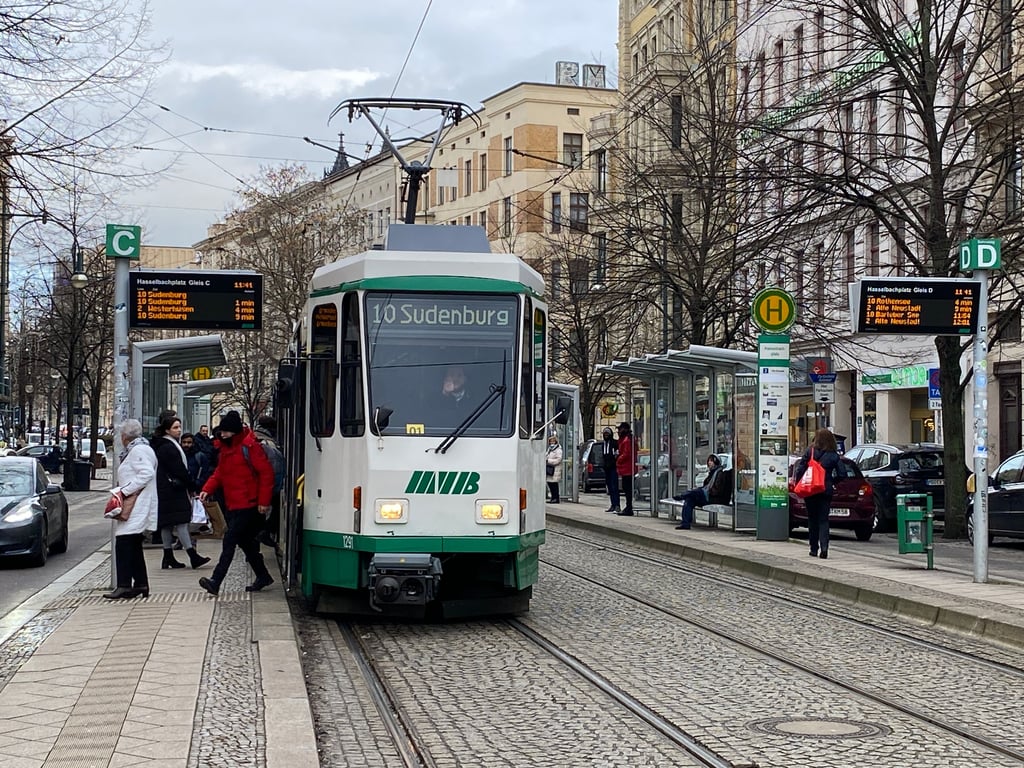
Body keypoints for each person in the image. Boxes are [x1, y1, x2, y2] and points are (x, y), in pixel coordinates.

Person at [198, 410, 275, 595]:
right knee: (245, 542)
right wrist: (207, 488)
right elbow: (220, 473)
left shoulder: (249, 447)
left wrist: (264, 502)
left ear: (233, 431)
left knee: (230, 539)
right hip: (236, 504)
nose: (221, 435)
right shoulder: (227, 449)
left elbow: (266, 474)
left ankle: (216, 580)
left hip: (249, 504)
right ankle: (263, 576)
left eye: (225, 432)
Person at [104, 419, 159, 600]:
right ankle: (141, 584)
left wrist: (125, 490)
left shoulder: (138, 451)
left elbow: (146, 473)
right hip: (139, 502)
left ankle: (125, 584)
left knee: (124, 541)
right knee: (133, 543)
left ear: (124, 436)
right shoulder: (142, 448)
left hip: (136, 503)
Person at [151, 415, 210, 570]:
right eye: (175, 428)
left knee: (167, 524)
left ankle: (168, 556)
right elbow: (180, 470)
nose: (178, 430)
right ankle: (192, 555)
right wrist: (191, 486)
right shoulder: (169, 447)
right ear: (167, 430)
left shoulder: (163, 445)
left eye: (179, 427)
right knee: (182, 522)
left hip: (165, 489)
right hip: (174, 489)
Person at [794, 428, 842, 559]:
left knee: (812, 519)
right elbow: (842, 473)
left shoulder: (810, 451)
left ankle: (813, 548)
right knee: (823, 520)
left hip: (811, 489)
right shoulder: (833, 455)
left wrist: (799, 482)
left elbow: (800, 469)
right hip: (825, 490)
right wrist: (832, 482)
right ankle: (825, 548)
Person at [672, 454, 727, 530]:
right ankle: (685, 524)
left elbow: (717, 490)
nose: (709, 463)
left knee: (695, 492)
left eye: (711, 461)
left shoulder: (720, 474)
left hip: (714, 498)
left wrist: (705, 491)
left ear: (716, 462)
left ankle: (682, 496)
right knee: (689, 500)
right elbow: (706, 486)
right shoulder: (712, 473)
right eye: (708, 461)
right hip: (708, 496)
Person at [253, 415, 283, 551]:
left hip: (255, 487)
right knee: (274, 509)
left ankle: (253, 550)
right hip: (264, 487)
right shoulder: (268, 443)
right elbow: (274, 469)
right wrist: (276, 488)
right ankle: (264, 533)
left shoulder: (255, 437)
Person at [615, 422, 637, 516]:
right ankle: (628, 507)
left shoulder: (627, 440)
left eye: (620, 429)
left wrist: (618, 459)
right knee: (626, 488)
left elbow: (626, 453)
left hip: (628, 468)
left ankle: (629, 507)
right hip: (627, 468)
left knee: (627, 489)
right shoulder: (627, 439)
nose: (618, 431)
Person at [600, 427, 620, 513]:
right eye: (605, 434)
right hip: (607, 468)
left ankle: (617, 505)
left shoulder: (614, 443)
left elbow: (617, 454)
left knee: (614, 486)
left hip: (613, 467)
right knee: (610, 487)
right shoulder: (603, 444)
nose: (606, 435)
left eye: (607, 434)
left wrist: (614, 461)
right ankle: (613, 504)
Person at [545, 434, 563, 503]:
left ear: (556, 442)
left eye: (553, 442)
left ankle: (556, 498)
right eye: (550, 442)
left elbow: (558, 459)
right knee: (550, 484)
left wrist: (548, 461)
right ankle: (553, 497)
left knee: (554, 485)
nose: (551, 443)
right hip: (549, 469)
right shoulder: (550, 449)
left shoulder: (558, 450)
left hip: (555, 470)